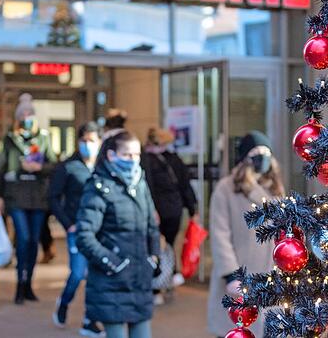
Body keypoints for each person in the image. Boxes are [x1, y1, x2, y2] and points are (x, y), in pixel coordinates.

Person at [76, 130, 160, 338]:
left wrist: (154, 258)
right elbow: (84, 236)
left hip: (139, 279)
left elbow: (151, 226)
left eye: (137, 155)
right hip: (111, 283)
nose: (133, 160)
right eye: (128, 155)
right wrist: (114, 263)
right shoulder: (98, 187)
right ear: (112, 155)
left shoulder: (140, 183)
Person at [207, 131, 284, 337]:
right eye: (256, 153)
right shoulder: (227, 188)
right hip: (239, 276)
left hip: (269, 275)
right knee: (237, 328)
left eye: (266, 152)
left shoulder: (274, 189)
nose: (263, 157)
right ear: (244, 159)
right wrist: (231, 275)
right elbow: (219, 234)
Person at [0, 93, 57, 304]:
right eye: (23, 114)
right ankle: (20, 284)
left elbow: (53, 166)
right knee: (22, 238)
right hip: (16, 195)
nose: (27, 117)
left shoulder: (44, 138)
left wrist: (40, 167)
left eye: (30, 113)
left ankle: (29, 282)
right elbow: (0, 168)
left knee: (33, 241)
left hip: (38, 196)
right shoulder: (10, 140)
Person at [49, 122, 105, 337]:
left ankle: (90, 320)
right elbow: (53, 197)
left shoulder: (104, 166)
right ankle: (64, 302)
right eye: (84, 140)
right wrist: (67, 223)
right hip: (78, 228)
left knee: (96, 276)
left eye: (92, 140)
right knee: (78, 273)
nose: (88, 145)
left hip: (100, 231)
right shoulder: (68, 167)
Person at [141, 128, 198, 303]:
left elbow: (183, 185)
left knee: (161, 248)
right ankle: (162, 283)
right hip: (166, 210)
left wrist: (192, 209)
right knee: (163, 248)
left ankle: (160, 284)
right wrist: (191, 208)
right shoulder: (159, 160)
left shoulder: (156, 160)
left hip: (167, 210)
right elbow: (184, 186)